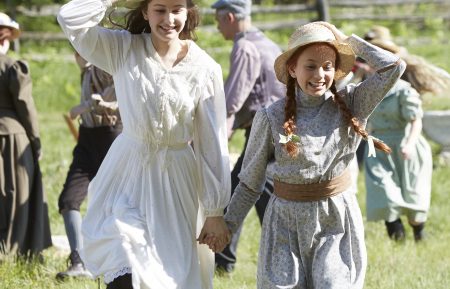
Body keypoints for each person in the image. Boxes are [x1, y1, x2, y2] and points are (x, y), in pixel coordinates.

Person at [201, 22, 406, 288]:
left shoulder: (353, 103)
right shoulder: (270, 117)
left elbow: (394, 68)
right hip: (285, 224)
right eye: (310, 65)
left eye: (328, 66)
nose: (319, 74)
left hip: (334, 220)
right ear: (292, 69)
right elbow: (250, 182)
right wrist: (227, 225)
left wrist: (350, 42)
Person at [57, 0, 231, 288]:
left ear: (188, 11)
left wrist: (214, 211)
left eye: (176, 9)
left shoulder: (205, 68)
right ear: (145, 12)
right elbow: (69, 18)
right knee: (123, 256)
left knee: (168, 275)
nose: (169, 19)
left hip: (176, 183)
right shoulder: (123, 49)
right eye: (159, 9)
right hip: (128, 174)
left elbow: (211, 144)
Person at [211, 0, 285, 273]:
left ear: (230, 17)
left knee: (241, 191)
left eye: (219, 21)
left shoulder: (245, 46)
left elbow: (232, 99)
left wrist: (220, 131)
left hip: (264, 132)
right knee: (254, 191)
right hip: (278, 131)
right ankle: (226, 260)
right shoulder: (265, 42)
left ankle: (224, 261)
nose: (218, 27)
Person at [363, 26, 437, 242]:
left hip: (406, 145)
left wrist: (410, 144)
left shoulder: (404, 89)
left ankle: (419, 235)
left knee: (413, 195)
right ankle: (398, 242)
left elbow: (416, 120)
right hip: (379, 146)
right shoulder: (366, 89)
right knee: (383, 194)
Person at [56, 52, 122, 280]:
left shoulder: (104, 67)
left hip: (111, 138)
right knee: (68, 199)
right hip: (87, 140)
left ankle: (120, 263)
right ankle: (78, 262)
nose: (76, 54)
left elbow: (116, 98)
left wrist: (83, 107)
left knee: (117, 204)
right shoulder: (86, 71)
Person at [0, 12, 52, 258]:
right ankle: (11, 250)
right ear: (5, 36)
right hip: (11, 136)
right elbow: (25, 105)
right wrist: (35, 139)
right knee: (15, 193)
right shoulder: (12, 67)